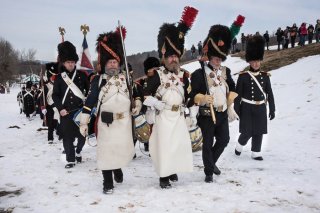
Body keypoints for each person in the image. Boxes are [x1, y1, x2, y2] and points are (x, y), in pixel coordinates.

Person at [143, 6, 198, 189]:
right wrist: (155, 103)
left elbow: (189, 96)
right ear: (164, 57)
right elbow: (144, 95)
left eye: (176, 56)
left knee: (176, 146)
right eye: (170, 56)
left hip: (179, 117)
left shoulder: (184, 75)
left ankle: (172, 169)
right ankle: (163, 176)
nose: (174, 60)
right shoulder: (157, 75)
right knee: (165, 147)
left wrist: (193, 110)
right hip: (163, 116)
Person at [79, 27, 136, 194]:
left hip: (124, 123)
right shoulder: (97, 80)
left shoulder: (126, 79)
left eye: (115, 62)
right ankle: (107, 182)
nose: (113, 64)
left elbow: (136, 96)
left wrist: (137, 104)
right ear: (104, 64)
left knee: (119, 150)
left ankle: (117, 168)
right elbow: (90, 101)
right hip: (106, 123)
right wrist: (84, 120)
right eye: (110, 62)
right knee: (106, 152)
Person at [189, 15, 244, 183]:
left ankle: (211, 163)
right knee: (207, 144)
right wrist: (203, 98)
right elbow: (192, 96)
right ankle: (208, 172)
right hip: (207, 115)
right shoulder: (198, 74)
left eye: (220, 58)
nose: (218, 60)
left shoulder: (226, 71)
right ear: (210, 56)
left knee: (224, 140)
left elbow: (232, 88)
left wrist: (231, 104)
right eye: (215, 57)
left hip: (221, 113)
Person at [234, 35, 275, 161]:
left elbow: (270, 94)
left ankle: (256, 152)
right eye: (254, 61)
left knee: (259, 131)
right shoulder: (243, 76)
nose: (256, 64)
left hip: (261, 107)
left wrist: (272, 109)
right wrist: (237, 110)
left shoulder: (265, 76)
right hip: (246, 107)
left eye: (258, 61)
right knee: (247, 131)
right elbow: (237, 96)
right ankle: (240, 144)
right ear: (249, 62)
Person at [52, 41, 89, 169]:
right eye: (68, 62)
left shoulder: (82, 76)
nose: (71, 64)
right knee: (67, 138)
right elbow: (55, 95)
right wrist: (60, 109)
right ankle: (70, 159)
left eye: (73, 62)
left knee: (82, 137)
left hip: (80, 112)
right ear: (63, 63)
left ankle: (78, 151)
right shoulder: (59, 78)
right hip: (66, 113)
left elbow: (89, 91)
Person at [40, 62, 59, 144]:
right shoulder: (46, 86)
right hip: (50, 107)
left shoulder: (60, 84)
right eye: (52, 76)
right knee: (50, 124)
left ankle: (60, 134)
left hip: (58, 106)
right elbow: (42, 97)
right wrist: (43, 108)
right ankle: (50, 138)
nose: (53, 78)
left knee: (58, 122)